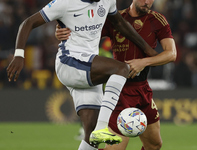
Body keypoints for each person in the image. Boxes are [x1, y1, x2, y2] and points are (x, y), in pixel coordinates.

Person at [6, 0, 158, 150]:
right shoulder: (64, 3)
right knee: (121, 69)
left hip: (89, 68)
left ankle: (97, 130)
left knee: (91, 135)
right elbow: (27, 23)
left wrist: (145, 47)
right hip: (69, 62)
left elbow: (119, 23)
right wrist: (19, 55)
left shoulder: (107, 1)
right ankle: (102, 128)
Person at [55, 0, 177, 150]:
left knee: (155, 144)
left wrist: (143, 62)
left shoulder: (157, 20)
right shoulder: (115, 18)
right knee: (115, 148)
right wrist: (64, 31)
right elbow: (86, 33)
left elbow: (171, 54)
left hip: (143, 89)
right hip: (121, 91)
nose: (147, 2)